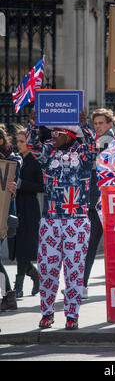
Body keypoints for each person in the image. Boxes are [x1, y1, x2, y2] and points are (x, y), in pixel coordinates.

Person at [26, 110, 97, 330]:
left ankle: (72, 316)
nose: (52, 136)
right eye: (52, 132)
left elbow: (94, 148)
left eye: (57, 132)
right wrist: (35, 123)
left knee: (74, 270)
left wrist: (83, 126)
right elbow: (32, 145)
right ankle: (47, 313)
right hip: (51, 221)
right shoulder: (48, 151)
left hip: (77, 221)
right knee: (48, 269)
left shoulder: (83, 154)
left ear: (69, 134)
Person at [83, 108, 115, 298]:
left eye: (101, 123)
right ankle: (82, 285)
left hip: (109, 202)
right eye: (95, 123)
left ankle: (84, 285)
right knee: (90, 245)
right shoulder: (95, 141)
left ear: (110, 124)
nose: (98, 126)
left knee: (114, 248)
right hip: (96, 202)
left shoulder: (112, 142)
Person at [13, 127, 44, 298]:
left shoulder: (35, 161)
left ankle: (18, 285)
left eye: (22, 142)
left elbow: (41, 186)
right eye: (17, 141)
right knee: (18, 247)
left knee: (24, 248)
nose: (18, 145)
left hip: (29, 208)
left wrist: (21, 184)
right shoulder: (16, 160)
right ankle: (35, 275)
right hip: (15, 206)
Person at [0, 127, 21, 311]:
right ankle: (8, 295)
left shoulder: (12, 160)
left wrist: (15, 186)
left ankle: (9, 295)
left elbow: (17, 183)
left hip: (2, 215)